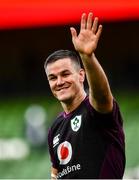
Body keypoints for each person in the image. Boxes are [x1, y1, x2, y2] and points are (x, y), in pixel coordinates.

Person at [44, 12, 125, 179]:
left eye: (65, 74)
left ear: (81, 75)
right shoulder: (55, 128)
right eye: (52, 77)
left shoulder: (95, 110)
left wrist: (87, 57)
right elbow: (55, 173)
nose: (59, 82)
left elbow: (101, 94)